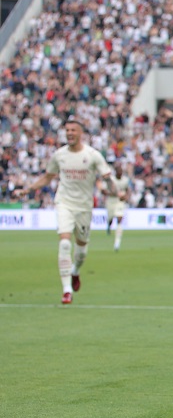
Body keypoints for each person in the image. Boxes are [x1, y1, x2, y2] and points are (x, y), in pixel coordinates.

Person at [13, 118, 123, 304]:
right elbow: (47, 177)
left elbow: (108, 178)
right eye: (67, 130)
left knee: (81, 252)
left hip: (84, 207)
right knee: (64, 244)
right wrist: (28, 189)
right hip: (64, 203)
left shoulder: (93, 155)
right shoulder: (59, 155)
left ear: (81, 133)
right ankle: (66, 290)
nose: (70, 133)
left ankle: (75, 271)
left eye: (73, 130)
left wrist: (114, 189)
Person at [104, 161, 130, 252]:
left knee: (119, 219)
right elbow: (104, 191)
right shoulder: (111, 180)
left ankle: (117, 243)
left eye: (121, 171)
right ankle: (108, 225)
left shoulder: (125, 180)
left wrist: (126, 196)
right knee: (111, 219)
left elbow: (127, 190)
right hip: (111, 201)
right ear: (116, 172)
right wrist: (114, 193)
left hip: (120, 202)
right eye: (119, 171)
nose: (120, 173)